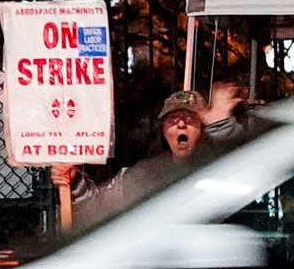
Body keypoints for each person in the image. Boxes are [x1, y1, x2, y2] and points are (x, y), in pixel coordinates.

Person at [70, 83, 246, 226]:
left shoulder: (220, 168)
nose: (181, 124)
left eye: (190, 118)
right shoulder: (143, 175)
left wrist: (221, 127)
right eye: (174, 119)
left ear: (204, 128)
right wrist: (75, 182)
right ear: (163, 130)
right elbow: (99, 209)